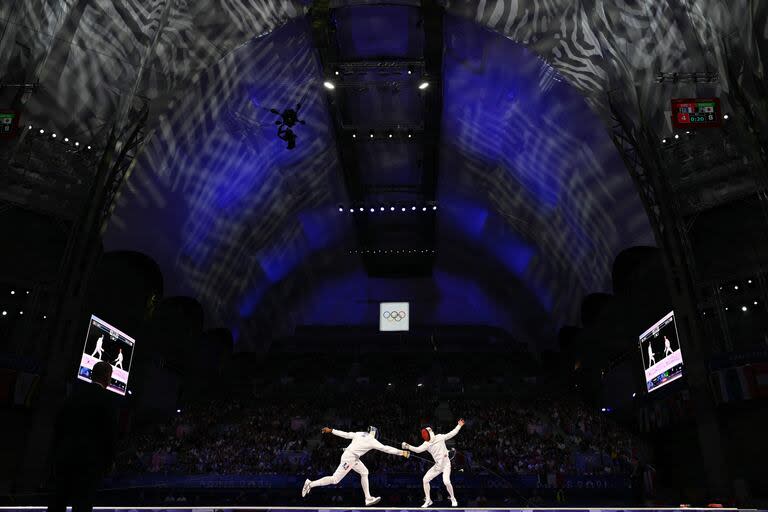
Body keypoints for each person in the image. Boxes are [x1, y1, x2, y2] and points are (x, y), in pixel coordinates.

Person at [48, 361, 118, 512]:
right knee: (82, 504)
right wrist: (109, 461)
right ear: (107, 377)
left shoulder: (73, 393)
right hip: (89, 463)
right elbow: (110, 433)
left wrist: (56, 452)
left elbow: (58, 425)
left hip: (65, 457)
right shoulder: (108, 399)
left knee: (57, 502)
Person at [302, 425, 410, 505]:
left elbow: (346, 434)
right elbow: (386, 448)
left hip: (352, 457)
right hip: (350, 459)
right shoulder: (372, 440)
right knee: (335, 479)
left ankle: (368, 498)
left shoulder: (359, 434)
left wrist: (331, 430)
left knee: (364, 472)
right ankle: (310, 484)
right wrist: (402, 452)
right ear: (375, 434)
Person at [402, 419, 464, 507]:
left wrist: (459, 425)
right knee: (425, 480)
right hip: (438, 466)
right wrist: (408, 446)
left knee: (446, 481)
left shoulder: (439, 437)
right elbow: (418, 450)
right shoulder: (426, 444)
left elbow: (452, 433)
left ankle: (453, 498)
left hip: (446, 464)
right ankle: (428, 500)